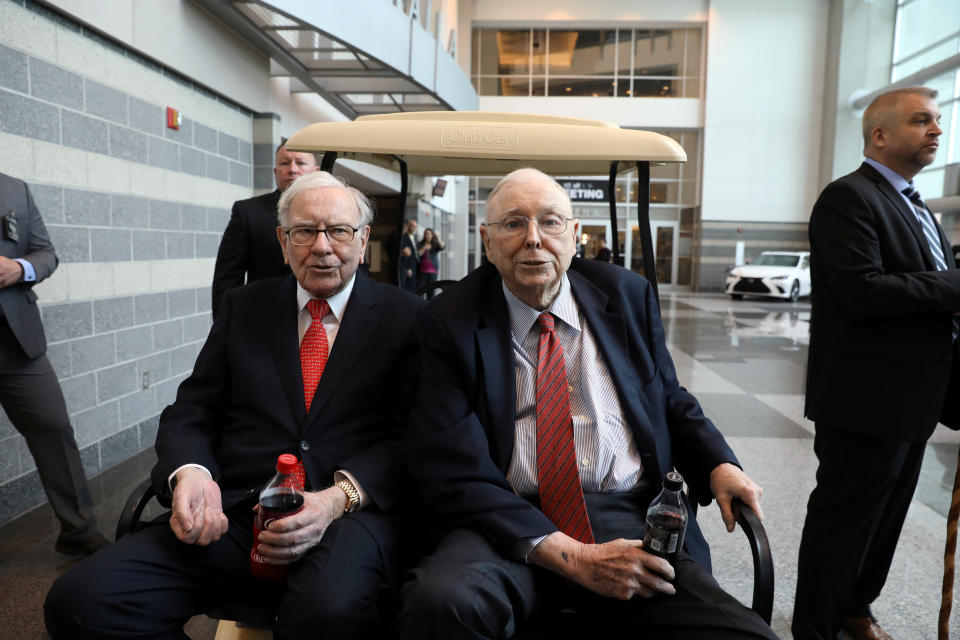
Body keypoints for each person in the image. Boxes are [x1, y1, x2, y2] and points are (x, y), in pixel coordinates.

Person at [399, 168, 778, 639]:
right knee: (440, 605)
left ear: (575, 235)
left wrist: (719, 463)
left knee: (743, 634)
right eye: (513, 224)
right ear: (487, 240)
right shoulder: (446, 321)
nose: (534, 239)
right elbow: (450, 464)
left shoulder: (626, 294)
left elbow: (669, 397)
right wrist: (574, 557)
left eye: (551, 222)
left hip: (626, 513)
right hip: (505, 519)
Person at [45, 171, 423, 640]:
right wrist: (192, 474)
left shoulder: (408, 318)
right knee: (81, 603)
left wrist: (335, 500)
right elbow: (193, 408)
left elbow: (414, 436)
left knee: (326, 615)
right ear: (283, 243)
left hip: (345, 520)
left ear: (363, 240)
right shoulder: (245, 306)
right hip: (236, 514)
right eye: (305, 231)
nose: (322, 246)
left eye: (339, 231)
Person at [793, 86, 960, 640]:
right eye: (922, 121)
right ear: (880, 135)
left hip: (913, 398)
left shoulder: (915, 203)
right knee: (844, 523)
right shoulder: (849, 198)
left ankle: (855, 609)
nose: (937, 130)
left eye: (937, 120)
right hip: (864, 400)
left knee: (885, 521)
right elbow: (862, 291)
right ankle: (815, 627)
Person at [0, 172, 109, 556]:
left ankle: (78, 530)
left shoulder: (15, 189)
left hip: (16, 342)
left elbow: (46, 253)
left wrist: (19, 269)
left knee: (53, 427)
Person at [211, 140, 321, 317]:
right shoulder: (248, 212)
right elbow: (227, 279)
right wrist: (226, 328)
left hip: (324, 320)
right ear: (275, 171)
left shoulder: (336, 211)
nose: (292, 169)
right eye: (284, 163)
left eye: (300, 163)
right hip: (264, 318)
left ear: (316, 172)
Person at [416, 228, 445, 299]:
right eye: (425, 234)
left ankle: (429, 306)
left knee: (431, 290)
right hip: (422, 271)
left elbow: (442, 246)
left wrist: (437, 238)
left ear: (432, 235)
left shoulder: (435, 244)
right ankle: (420, 305)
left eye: (429, 234)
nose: (427, 235)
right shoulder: (420, 244)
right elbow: (418, 254)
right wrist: (424, 248)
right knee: (421, 289)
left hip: (433, 271)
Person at [398, 219, 419, 293]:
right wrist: (408, 268)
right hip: (408, 266)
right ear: (408, 227)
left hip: (415, 265)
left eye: (415, 226)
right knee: (408, 288)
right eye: (411, 226)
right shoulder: (405, 237)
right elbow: (406, 254)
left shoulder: (414, 237)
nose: (413, 228)